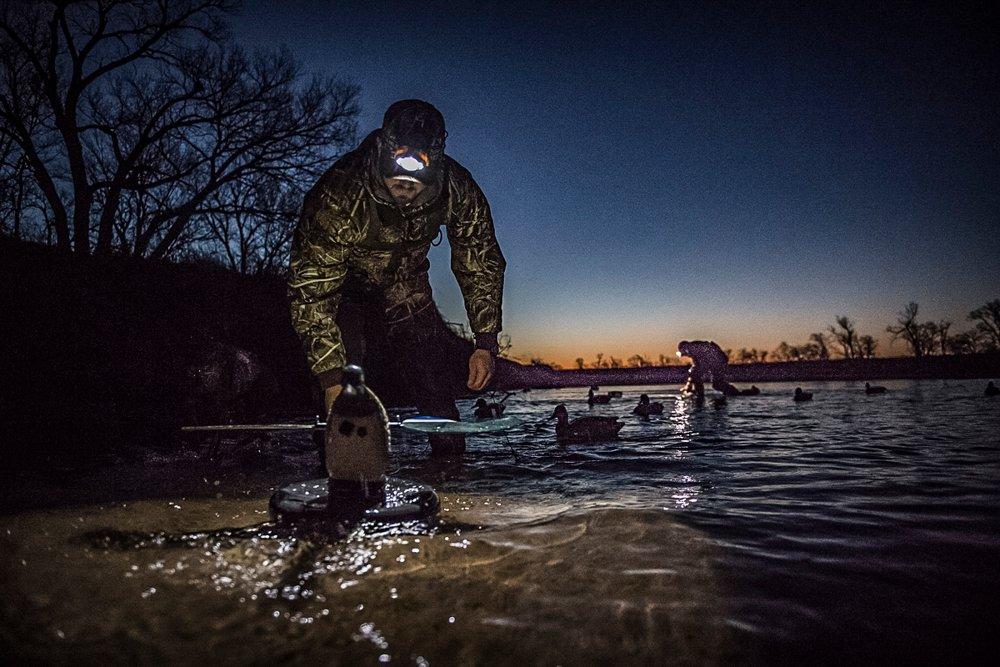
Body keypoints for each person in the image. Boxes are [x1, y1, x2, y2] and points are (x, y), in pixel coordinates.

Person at [288, 100, 506, 458]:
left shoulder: (457, 189)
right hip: (344, 288)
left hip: (406, 286)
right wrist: (330, 377)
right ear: (382, 151)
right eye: (397, 170)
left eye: (416, 174)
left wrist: (485, 342)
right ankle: (342, 474)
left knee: (433, 381)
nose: (405, 186)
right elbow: (311, 291)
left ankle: (449, 471)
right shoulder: (340, 193)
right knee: (344, 392)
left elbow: (478, 259)